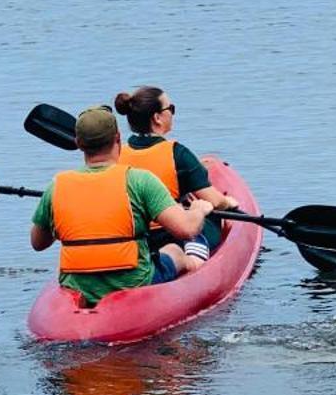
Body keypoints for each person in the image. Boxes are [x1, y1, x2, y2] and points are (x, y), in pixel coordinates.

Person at [30, 103, 208, 304]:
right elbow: (186, 229)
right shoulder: (140, 180)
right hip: (133, 283)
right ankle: (195, 265)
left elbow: (38, 243)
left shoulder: (57, 186)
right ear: (118, 139)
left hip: (78, 286)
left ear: (79, 143)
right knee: (174, 251)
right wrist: (198, 210)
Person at [114, 84, 235, 262]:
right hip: (172, 234)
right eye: (170, 108)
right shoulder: (177, 153)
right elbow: (215, 201)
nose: (172, 112)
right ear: (157, 118)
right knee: (213, 216)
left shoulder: (117, 155)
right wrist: (229, 202)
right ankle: (195, 253)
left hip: (136, 238)